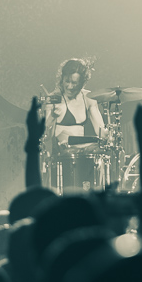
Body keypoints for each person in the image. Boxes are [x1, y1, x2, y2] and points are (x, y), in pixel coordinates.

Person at [45, 59, 106, 192]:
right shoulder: (54, 98)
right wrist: (52, 116)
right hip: (63, 155)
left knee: (99, 153)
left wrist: (109, 136)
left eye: (74, 83)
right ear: (61, 79)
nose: (70, 86)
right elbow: (46, 134)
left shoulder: (88, 98)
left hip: (84, 152)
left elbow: (100, 130)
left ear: (82, 83)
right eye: (67, 81)